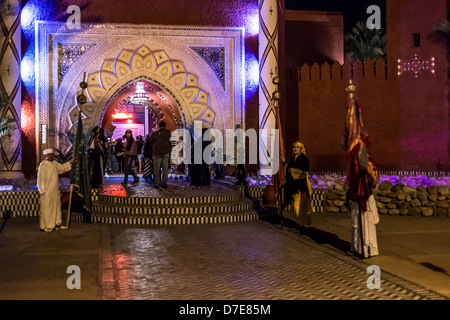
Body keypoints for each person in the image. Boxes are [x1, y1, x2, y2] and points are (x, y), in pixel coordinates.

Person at [343, 83, 379, 259]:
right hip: (356, 193)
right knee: (356, 220)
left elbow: (365, 169)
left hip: (362, 192)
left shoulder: (360, 146)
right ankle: (358, 248)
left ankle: (367, 248)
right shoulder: (353, 148)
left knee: (363, 220)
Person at [37, 148, 74, 232]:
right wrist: (43, 191)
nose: (51, 156)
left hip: (55, 191)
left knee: (56, 207)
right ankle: (47, 226)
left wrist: (71, 162)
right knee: (47, 208)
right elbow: (41, 179)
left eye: (52, 155)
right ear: (45, 156)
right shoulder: (43, 165)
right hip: (47, 192)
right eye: (49, 155)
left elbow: (62, 168)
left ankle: (56, 223)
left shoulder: (54, 163)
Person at [284, 141, 313, 229]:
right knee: (297, 206)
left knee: (299, 206)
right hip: (295, 185)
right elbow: (288, 167)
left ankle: (301, 225)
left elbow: (304, 172)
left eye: (297, 147)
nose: (295, 149)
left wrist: (292, 170)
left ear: (301, 149)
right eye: (294, 147)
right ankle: (301, 223)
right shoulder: (294, 158)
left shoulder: (303, 158)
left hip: (301, 185)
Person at [150, 121, 171, 188]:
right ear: (165, 126)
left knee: (156, 169)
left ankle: (157, 183)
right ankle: (165, 183)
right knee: (165, 169)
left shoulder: (155, 134)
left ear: (159, 126)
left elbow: (151, 141)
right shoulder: (168, 133)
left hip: (156, 153)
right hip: (165, 153)